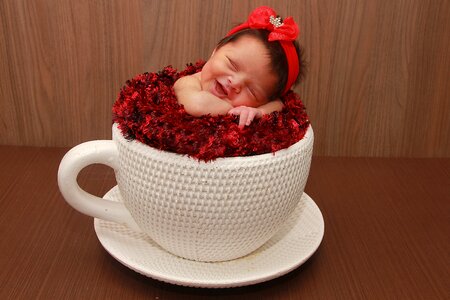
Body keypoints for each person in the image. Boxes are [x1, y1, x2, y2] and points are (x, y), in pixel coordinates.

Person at [174, 6, 304, 128]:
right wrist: (231, 109)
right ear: (216, 50)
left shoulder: (260, 104)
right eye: (232, 65)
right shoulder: (188, 82)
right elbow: (197, 105)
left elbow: (279, 104)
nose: (235, 82)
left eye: (251, 91)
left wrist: (258, 112)